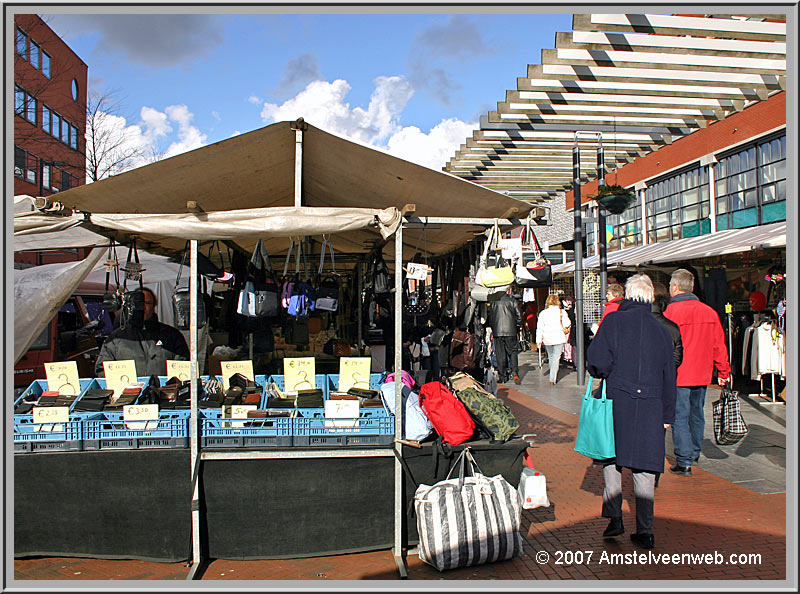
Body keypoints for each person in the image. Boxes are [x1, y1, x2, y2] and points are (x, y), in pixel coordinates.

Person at [586, 274, 676, 550]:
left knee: (612, 457)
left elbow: (597, 362)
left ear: (627, 294)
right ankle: (645, 531)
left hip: (617, 399)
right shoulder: (662, 329)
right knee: (645, 467)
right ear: (650, 298)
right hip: (651, 402)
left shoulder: (613, 321)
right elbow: (669, 375)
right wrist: (667, 416)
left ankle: (614, 517)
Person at [664, 268, 731, 477]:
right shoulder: (709, 312)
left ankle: (684, 460)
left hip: (680, 374)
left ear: (675, 287)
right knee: (696, 413)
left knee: (680, 416)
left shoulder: (670, 313)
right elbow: (719, 344)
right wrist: (724, 370)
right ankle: (693, 451)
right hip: (702, 372)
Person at [95, 287, 189, 377]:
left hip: (163, 391)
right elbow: (102, 369)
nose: (142, 307)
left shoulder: (172, 335)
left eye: (147, 303)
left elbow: (184, 366)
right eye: (138, 303)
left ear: (154, 306)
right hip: (129, 392)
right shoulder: (116, 338)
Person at [487, 286, 523, 385]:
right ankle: (515, 371)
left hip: (498, 332)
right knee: (513, 352)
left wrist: (494, 328)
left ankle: (502, 376)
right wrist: (517, 325)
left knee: (500, 354)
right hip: (511, 331)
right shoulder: (512, 301)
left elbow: (490, 317)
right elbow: (519, 316)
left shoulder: (494, 302)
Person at [535, 293, 571, 386]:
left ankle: (552, 374)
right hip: (559, 338)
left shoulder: (543, 313)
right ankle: (552, 378)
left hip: (547, 338)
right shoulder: (562, 312)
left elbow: (540, 328)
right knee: (556, 357)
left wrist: (538, 340)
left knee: (551, 357)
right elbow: (567, 323)